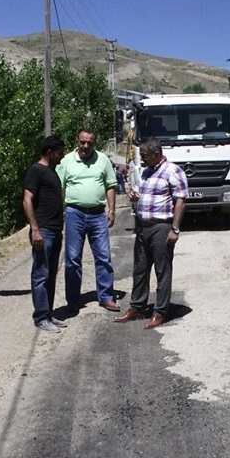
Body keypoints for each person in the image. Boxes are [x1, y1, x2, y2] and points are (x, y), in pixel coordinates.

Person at [114, 136, 188, 329]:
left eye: (145, 156)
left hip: (162, 228)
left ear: (157, 154)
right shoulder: (146, 172)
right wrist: (133, 195)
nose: (143, 159)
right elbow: (138, 192)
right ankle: (137, 307)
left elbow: (180, 201)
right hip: (143, 227)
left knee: (162, 271)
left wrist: (175, 229)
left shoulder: (172, 171)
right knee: (140, 269)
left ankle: (160, 312)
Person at [57, 129, 121, 312]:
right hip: (74, 214)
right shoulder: (66, 161)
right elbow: (58, 187)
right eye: (82, 142)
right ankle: (73, 300)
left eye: (90, 143)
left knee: (103, 257)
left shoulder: (102, 160)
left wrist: (112, 210)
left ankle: (106, 297)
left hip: (97, 215)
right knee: (72, 260)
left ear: (95, 143)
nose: (86, 146)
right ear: (77, 141)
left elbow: (110, 185)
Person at [22, 135, 67, 332]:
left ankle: (48, 313)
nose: (61, 156)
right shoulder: (36, 170)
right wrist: (35, 229)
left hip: (55, 231)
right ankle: (40, 317)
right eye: (59, 152)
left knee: (50, 275)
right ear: (50, 152)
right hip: (44, 231)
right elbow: (27, 200)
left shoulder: (51, 171)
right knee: (40, 275)